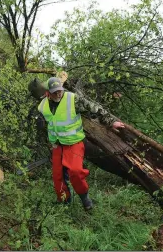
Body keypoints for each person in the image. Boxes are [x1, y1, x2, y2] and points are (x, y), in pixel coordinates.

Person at [37, 77, 125, 210]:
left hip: (74, 142)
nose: (58, 94)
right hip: (57, 144)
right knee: (57, 176)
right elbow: (47, 123)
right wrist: (50, 139)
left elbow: (94, 108)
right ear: (48, 92)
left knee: (76, 172)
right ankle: (64, 201)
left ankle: (85, 198)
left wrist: (111, 121)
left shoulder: (72, 99)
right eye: (55, 92)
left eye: (60, 90)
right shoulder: (42, 105)